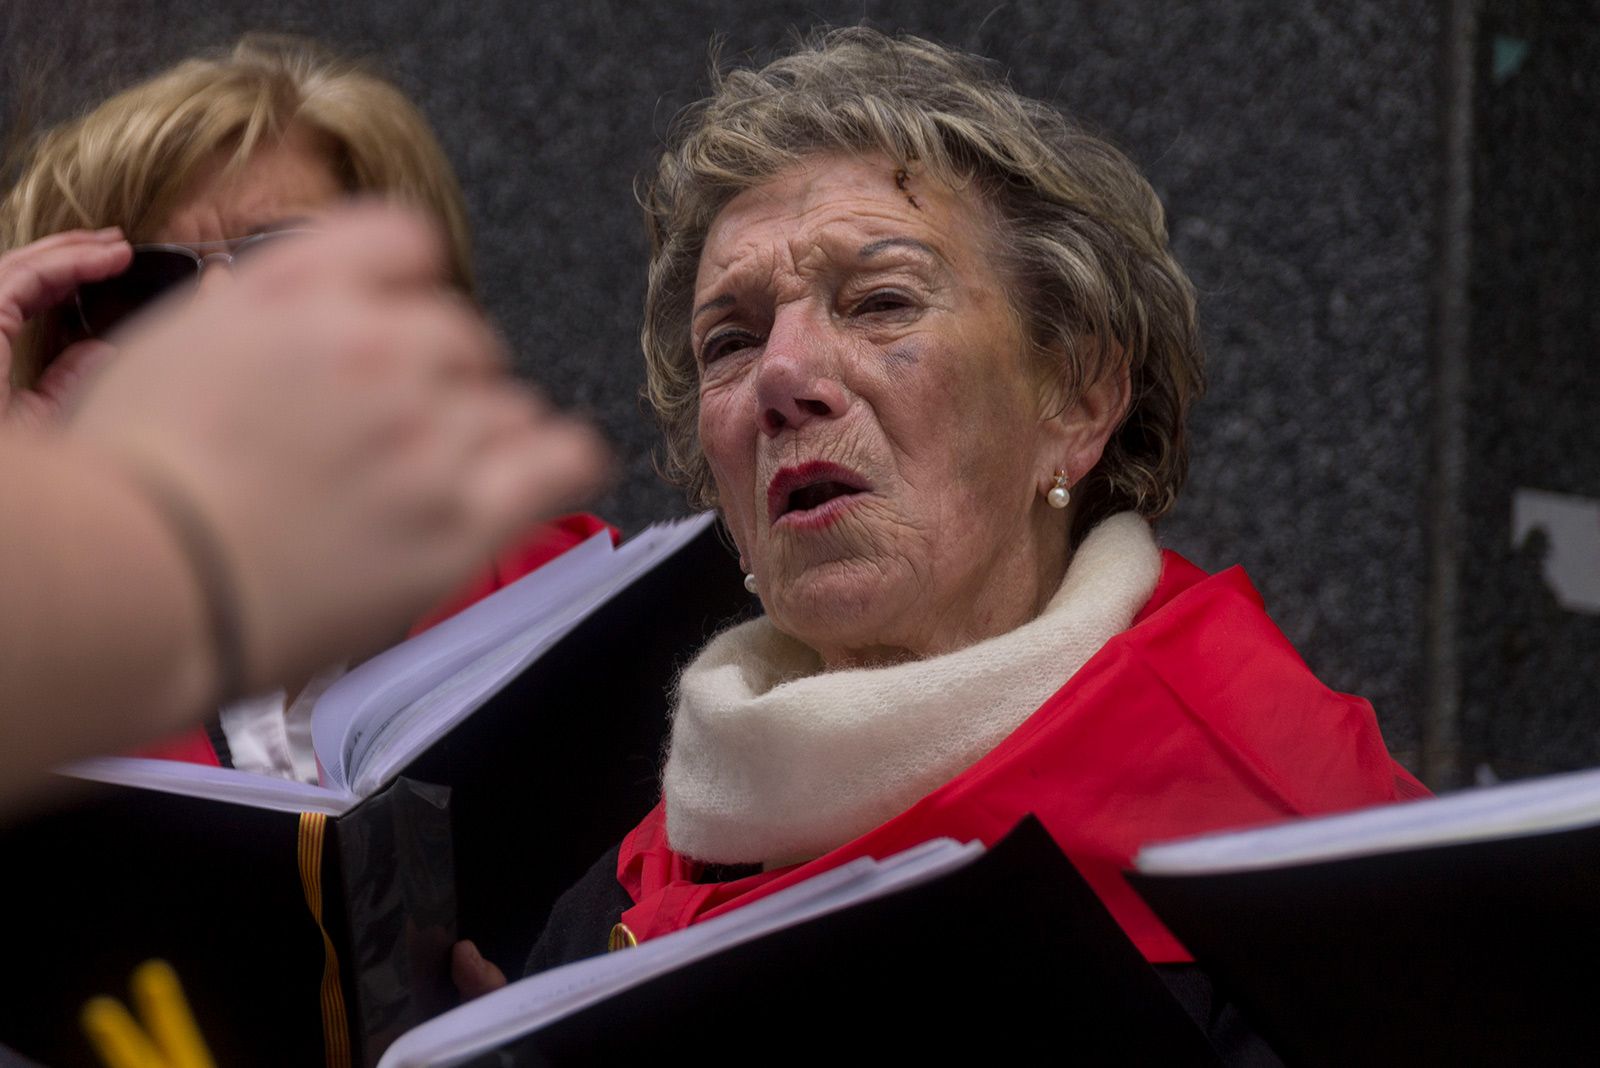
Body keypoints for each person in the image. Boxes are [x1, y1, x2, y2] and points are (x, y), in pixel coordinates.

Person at [453, 29, 1428, 1051]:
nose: (783, 378)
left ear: (1078, 400)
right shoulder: (630, 882)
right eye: (730, 342)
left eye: (879, 302)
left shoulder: (1294, 850)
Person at [0, 35, 613, 780]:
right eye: (142, 287)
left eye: (280, 264)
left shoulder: (574, 605)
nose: (215, 315)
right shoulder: (38, 680)